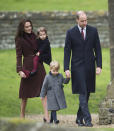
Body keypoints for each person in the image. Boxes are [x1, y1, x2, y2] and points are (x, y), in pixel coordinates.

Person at [64, 11, 102, 127]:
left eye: (86, 20)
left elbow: (98, 49)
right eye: (82, 21)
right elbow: (67, 51)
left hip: (90, 66)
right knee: (83, 92)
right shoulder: (70, 33)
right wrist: (66, 68)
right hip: (77, 67)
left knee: (88, 92)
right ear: (77, 20)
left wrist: (99, 66)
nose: (85, 23)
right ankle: (88, 120)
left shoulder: (93, 31)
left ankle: (79, 118)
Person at [15, 19, 49, 122]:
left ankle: (47, 116)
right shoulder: (19, 39)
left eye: (30, 26)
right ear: (22, 28)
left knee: (44, 91)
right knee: (24, 94)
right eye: (26, 27)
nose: (29, 28)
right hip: (27, 67)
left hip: (38, 65)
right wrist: (20, 70)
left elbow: (44, 46)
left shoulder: (35, 36)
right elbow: (18, 56)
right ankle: (22, 116)